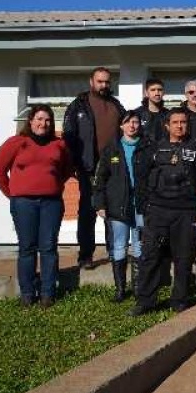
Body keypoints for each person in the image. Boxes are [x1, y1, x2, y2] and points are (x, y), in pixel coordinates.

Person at [0, 105, 74, 308]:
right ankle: (27, 294)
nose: (43, 124)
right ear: (30, 121)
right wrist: (13, 195)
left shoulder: (59, 145)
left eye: (47, 120)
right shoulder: (16, 143)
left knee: (48, 247)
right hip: (23, 204)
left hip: (51, 203)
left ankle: (48, 293)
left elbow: (66, 170)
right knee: (27, 248)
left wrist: (52, 185)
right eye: (39, 119)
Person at [132, 108, 196, 315]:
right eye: (175, 122)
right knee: (151, 255)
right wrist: (144, 207)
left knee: (184, 257)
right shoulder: (155, 148)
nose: (179, 125)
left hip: (186, 211)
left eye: (183, 122)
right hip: (158, 209)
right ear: (167, 125)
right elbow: (141, 177)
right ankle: (145, 301)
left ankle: (179, 300)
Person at [63, 66, 125, 269]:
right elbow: (69, 136)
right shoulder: (78, 105)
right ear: (92, 82)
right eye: (100, 81)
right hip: (88, 167)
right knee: (88, 211)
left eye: (107, 81)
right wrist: (73, 163)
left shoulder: (116, 105)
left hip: (112, 167)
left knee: (113, 210)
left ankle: (114, 251)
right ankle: (85, 255)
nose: (104, 85)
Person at [92, 110, 147, 302]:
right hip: (118, 207)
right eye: (128, 122)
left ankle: (139, 289)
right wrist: (99, 204)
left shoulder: (147, 147)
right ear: (121, 126)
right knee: (119, 247)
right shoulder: (111, 149)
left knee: (139, 246)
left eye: (136, 122)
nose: (132, 125)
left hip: (140, 206)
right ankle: (120, 290)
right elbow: (100, 179)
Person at [134, 77, 168, 144]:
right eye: (153, 90)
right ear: (146, 93)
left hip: (163, 152)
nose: (157, 93)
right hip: (143, 152)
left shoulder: (168, 114)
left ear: (163, 92)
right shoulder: (137, 114)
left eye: (160, 90)